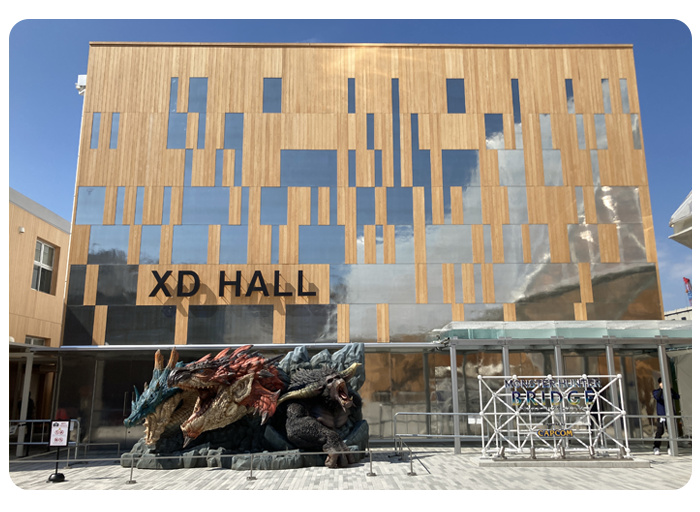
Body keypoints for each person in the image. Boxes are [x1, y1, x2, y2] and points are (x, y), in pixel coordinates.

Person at [653, 378, 680, 455]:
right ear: (659, 384)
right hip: (661, 415)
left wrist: (671, 389)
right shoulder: (656, 391)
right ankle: (656, 447)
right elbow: (657, 397)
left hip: (670, 415)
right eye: (662, 383)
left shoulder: (670, 392)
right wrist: (662, 389)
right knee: (660, 432)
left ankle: (670, 447)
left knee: (671, 432)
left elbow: (677, 397)